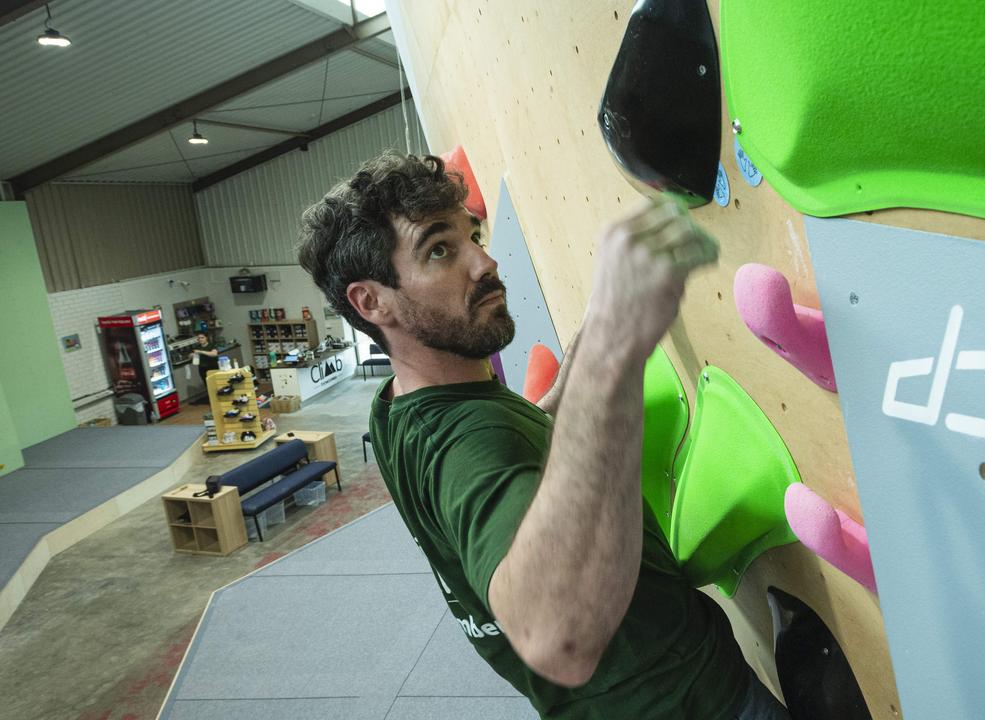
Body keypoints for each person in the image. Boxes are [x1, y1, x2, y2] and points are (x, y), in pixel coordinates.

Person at [297, 151, 791, 720]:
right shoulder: (469, 446)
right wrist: (608, 349)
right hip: (684, 703)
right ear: (370, 301)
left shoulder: (400, 411)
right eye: (440, 250)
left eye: (472, 235)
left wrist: (584, 356)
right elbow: (553, 636)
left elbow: (526, 442)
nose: (484, 263)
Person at [190, 332, 220, 402]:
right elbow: (191, 356)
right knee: (208, 385)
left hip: (213, 367)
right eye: (199, 338)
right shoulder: (197, 347)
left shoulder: (211, 345)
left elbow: (214, 354)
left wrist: (201, 352)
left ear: (206, 338)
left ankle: (220, 398)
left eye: (202, 337)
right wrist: (191, 355)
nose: (200, 339)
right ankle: (213, 401)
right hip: (202, 369)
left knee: (216, 384)